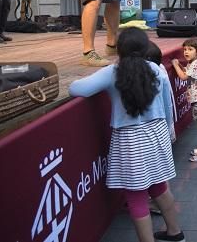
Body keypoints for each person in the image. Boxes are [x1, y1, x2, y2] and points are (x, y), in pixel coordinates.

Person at [67, 28, 184, 242]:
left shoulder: (113, 72)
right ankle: (176, 233)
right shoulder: (156, 69)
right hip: (157, 134)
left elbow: (76, 89)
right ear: (144, 47)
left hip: (131, 140)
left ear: (119, 50)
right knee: (159, 186)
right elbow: (168, 103)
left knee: (136, 194)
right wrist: (169, 129)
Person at [171, 39, 197, 162]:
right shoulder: (193, 62)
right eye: (185, 49)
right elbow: (186, 72)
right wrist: (179, 65)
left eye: (190, 49)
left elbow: (184, 76)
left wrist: (174, 64)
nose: (186, 52)